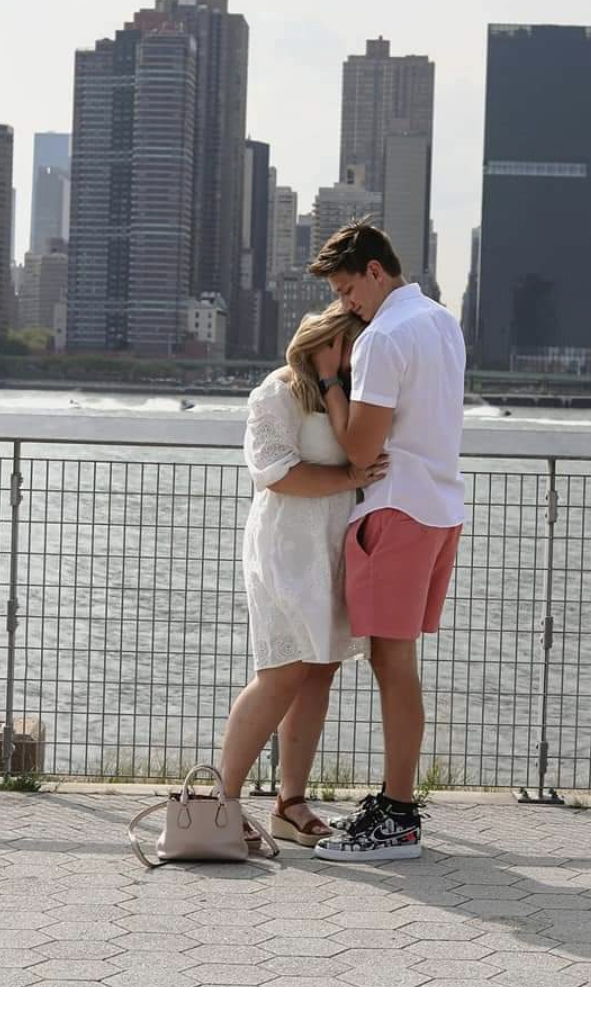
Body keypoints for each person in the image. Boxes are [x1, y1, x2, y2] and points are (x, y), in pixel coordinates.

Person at [307, 220, 466, 861]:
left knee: (392, 667)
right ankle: (395, 805)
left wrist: (328, 382)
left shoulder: (382, 339)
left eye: (348, 290)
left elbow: (360, 450)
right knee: (397, 666)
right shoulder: (441, 322)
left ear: (376, 272)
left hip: (395, 511)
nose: (346, 305)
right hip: (439, 509)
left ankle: (398, 816)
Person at [216, 304, 387, 848]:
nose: (356, 351)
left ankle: (290, 804)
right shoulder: (277, 392)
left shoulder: (353, 395)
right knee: (281, 672)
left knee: (320, 671)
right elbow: (278, 475)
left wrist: (339, 382)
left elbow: (372, 458)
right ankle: (222, 803)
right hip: (287, 548)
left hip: (335, 545)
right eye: (347, 342)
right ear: (323, 340)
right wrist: (349, 477)